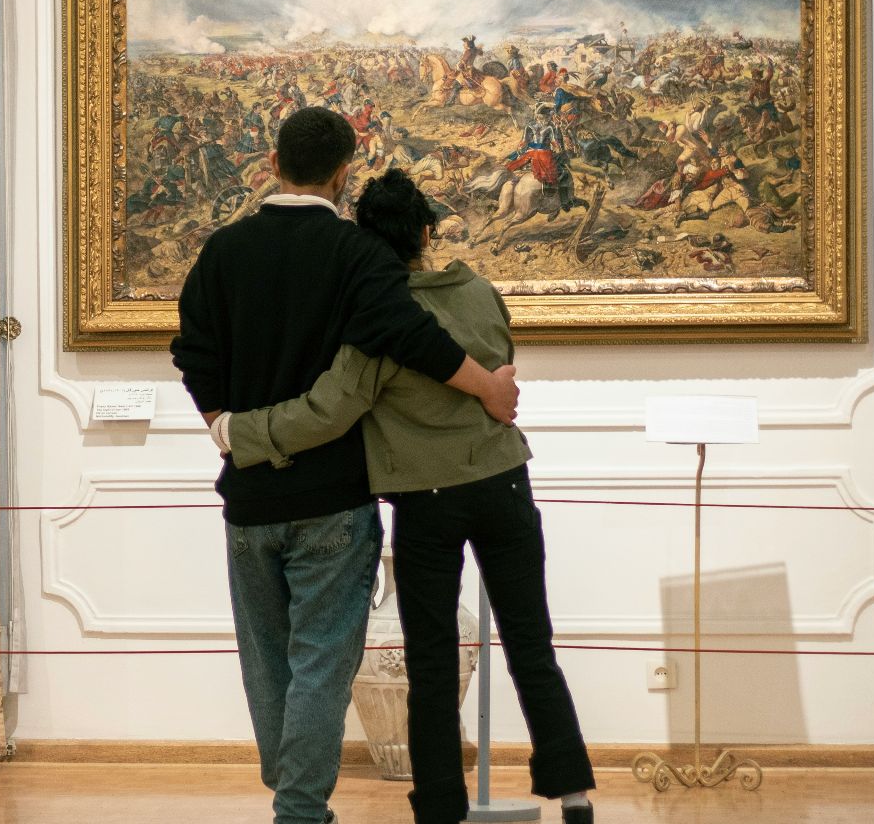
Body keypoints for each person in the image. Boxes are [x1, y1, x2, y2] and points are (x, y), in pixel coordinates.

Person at [214, 169, 597, 824]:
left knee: (432, 662)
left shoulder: (375, 323)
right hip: (505, 480)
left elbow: (328, 412)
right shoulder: (480, 291)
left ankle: (441, 808)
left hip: (428, 498)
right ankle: (574, 797)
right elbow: (502, 369)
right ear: (426, 231)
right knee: (533, 645)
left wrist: (238, 433)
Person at [171, 109, 520, 824]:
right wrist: (487, 385)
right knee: (322, 665)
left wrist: (223, 426)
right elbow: (407, 332)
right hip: (332, 495)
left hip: (247, 498)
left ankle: (292, 791)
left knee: (267, 665)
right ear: (342, 174)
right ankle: (299, 808)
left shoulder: (222, 251)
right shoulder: (356, 253)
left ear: (273, 163)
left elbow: (193, 352)